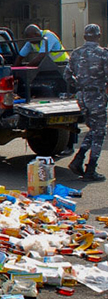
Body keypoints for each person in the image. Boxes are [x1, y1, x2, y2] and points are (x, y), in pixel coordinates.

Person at [64, 24, 108, 181]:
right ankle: (90, 170)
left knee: (94, 129)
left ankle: (78, 159)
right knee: (100, 132)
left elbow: (67, 75)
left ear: (84, 37)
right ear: (98, 36)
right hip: (96, 96)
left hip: (82, 97)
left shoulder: (76, 53)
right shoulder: (103, 54)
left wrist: (80, 86)